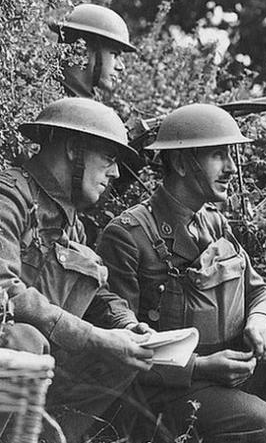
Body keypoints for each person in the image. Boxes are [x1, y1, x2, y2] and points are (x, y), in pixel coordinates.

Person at [97, 103, 266, 443]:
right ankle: (261, 428)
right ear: (179, 163)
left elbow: (259, 290)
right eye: (218, 155)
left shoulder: (213, 221)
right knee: (264, 422)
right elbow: (124, 349)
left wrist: (260, 320)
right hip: (168, 395)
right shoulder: (128, 234)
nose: (231, 169)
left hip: (225, 372)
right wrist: (202, 367)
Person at [0, 97, 155, 441]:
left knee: (124, 358)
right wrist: (95, 338)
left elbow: (98, 295)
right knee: (24, 340)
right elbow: (5, 291)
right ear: (73, 149)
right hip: (12, 360)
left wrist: (126, 327)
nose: (114, 173)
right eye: (109, 159)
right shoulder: (8, 198)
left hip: (40, 374)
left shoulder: (71, 223)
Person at [53, 2, 136, 98]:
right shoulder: (48, 95)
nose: (121, 66)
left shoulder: (80, 102)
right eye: (115, 55)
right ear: (81, 49)